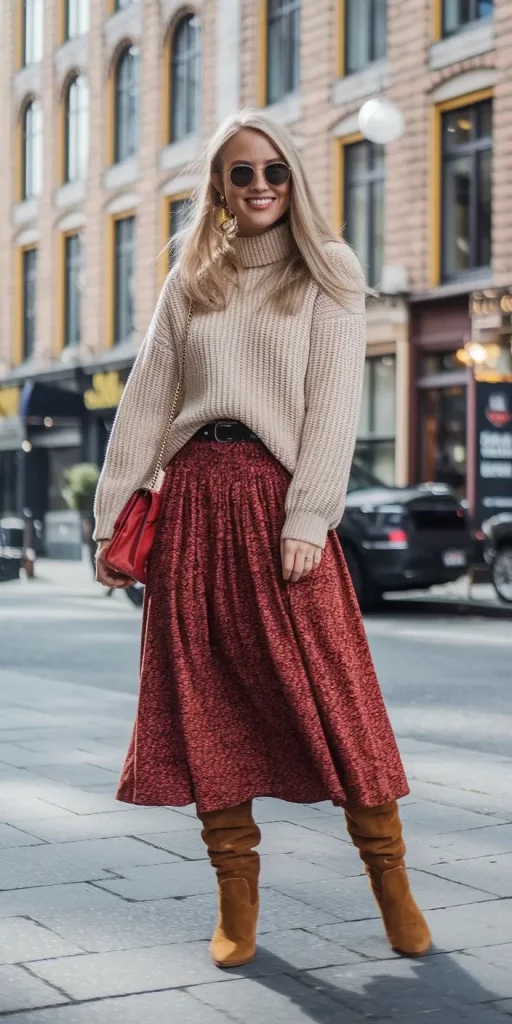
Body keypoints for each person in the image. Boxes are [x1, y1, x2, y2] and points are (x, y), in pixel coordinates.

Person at [93, 109, 431, 969]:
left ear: (294, 179)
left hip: (278, 503)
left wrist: (310, 516)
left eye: (274, 171)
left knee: (338, 699)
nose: (259, 186)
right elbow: (147, 399)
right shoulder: (192, 275)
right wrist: (111, 517)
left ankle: (392, 884)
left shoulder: (329, 268)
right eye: (241, 172)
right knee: (205, 703)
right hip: (192, 505)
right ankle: (235, 901)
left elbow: (335, 406)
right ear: (219, 184)